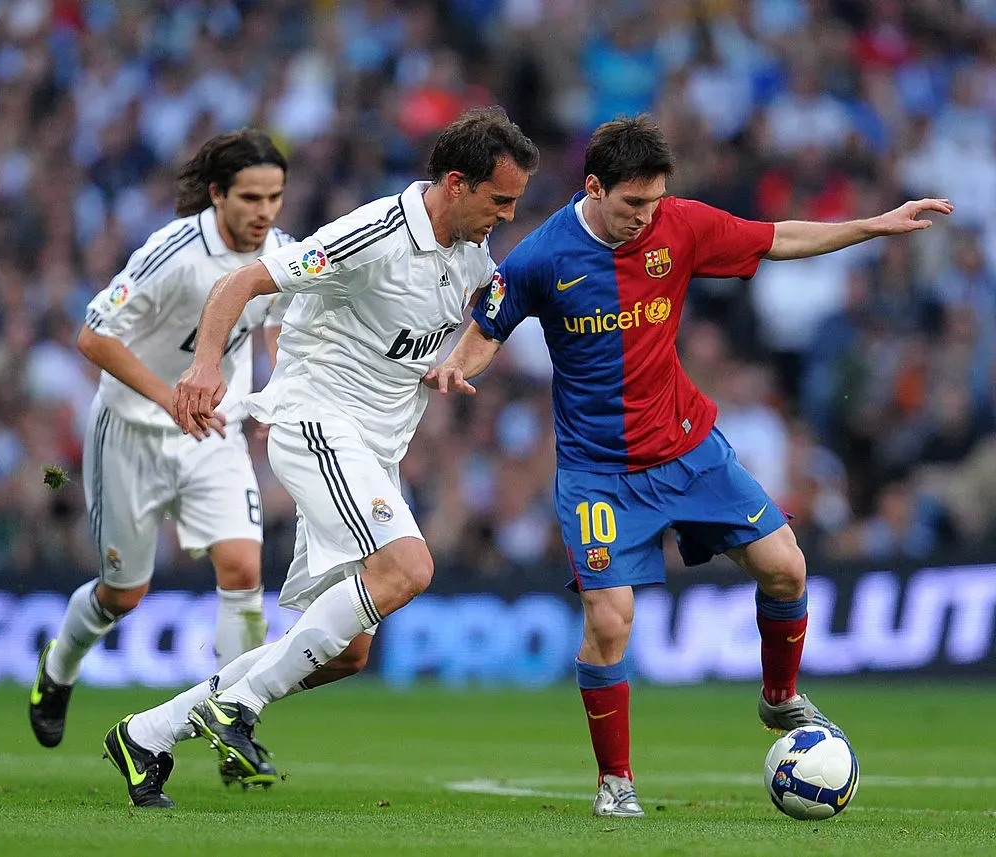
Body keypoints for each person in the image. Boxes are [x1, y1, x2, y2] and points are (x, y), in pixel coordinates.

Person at [426, 115, 953, 818]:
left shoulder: (679, 225)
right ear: (594, 187)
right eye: (632, 205)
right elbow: (486, 329)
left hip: (688, 448)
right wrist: (460, 368)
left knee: (787, 566)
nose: (647, 218)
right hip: (597, 471)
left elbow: (778, 239)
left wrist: (872, 226)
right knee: (610, 620)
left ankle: (778, 698)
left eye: (654, 202)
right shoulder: (541, 257)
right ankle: (616, 783)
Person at [101, 106, 539, 808]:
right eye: (500, 199)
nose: (509, 215)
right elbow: (238, 284)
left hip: (372, 449)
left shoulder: (470, 256)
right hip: (316, 424)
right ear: (457, 184)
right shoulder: (375, 233)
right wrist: (206, 367)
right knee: (408, 567)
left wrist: (447, 364)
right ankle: (238, 706)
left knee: (345, 653)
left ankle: (146, 733)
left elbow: (447, 327)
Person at [30, 129, 294, 750]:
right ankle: (58, 667)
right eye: (251, 197)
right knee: (124, 593)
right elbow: (93, 337)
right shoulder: (171, 252)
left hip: (213, 433)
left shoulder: (282, 252)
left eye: (275, 197)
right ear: (216, 194)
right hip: (131, 434)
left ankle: (234, 723)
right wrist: (169, 396)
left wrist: (284, 395)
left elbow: (282, 328)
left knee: (242, 569)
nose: (264, 212)